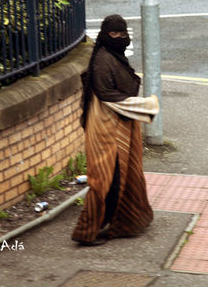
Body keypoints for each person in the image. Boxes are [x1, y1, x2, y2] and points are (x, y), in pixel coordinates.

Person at [72, 14, 159, 246]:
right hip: (104, 126)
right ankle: (88, 231)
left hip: (120, 122)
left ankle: (122, 222)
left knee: (126, 173)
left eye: (123, 33)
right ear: (104, 35)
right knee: (105, 178)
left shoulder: (114, 56)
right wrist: (145, 107)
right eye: (114, 34)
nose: (121, 37)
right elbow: (105, 93)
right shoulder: (102, 59)